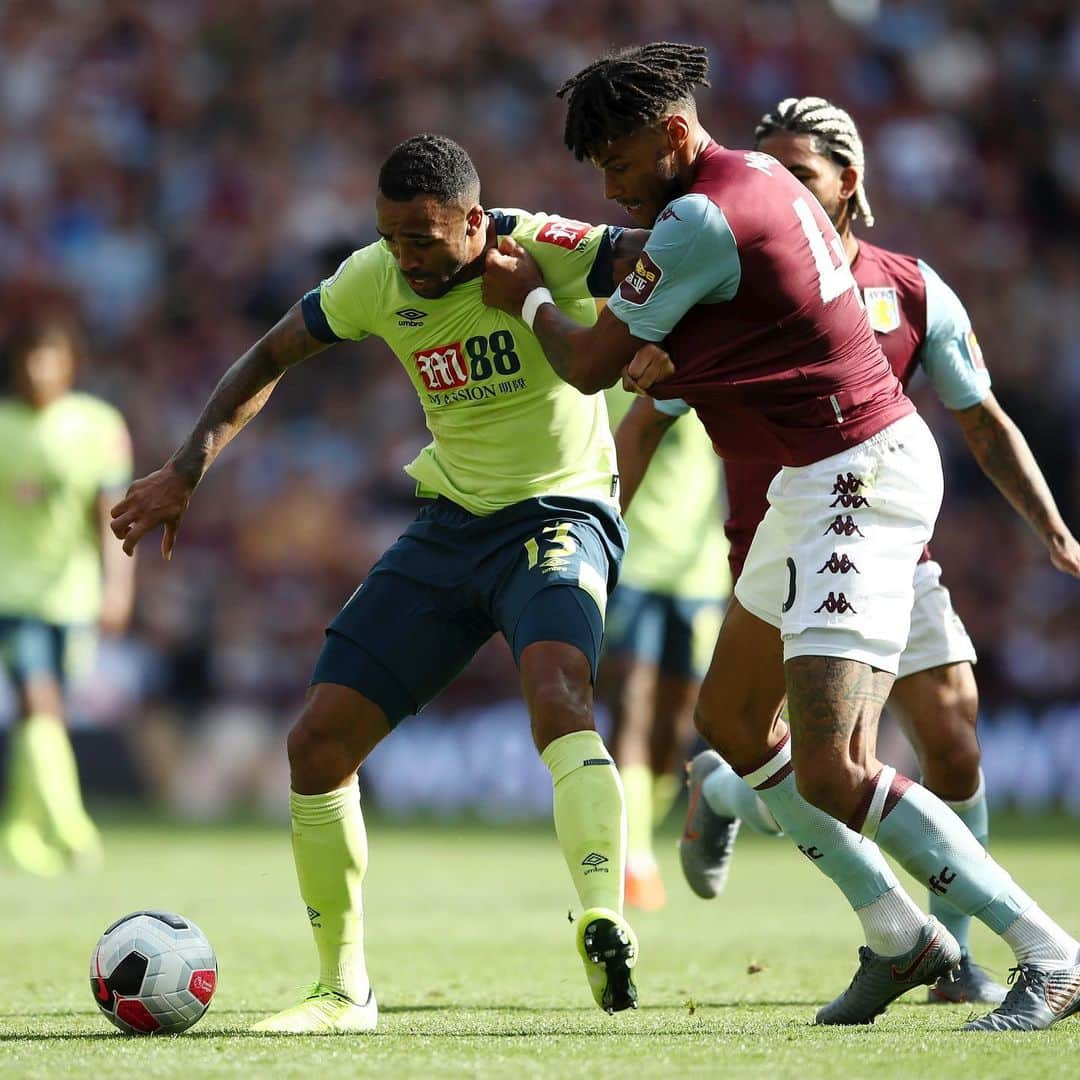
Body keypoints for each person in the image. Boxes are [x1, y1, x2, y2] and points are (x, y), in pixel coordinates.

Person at [481, 42, 1080, 1031]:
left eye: (618, 162)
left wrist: (528, 296)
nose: (612, 185)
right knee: (729, 723)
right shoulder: (741, 182)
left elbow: (590, 365)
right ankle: (902, 938)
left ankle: (1051, 954)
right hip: (814, 480)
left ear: (673, 133)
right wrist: (529, 231)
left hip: (856, 475)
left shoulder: (706, 215)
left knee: (835, 767)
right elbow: (633, 258)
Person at [110, 134, 648, 1033]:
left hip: (560, 516)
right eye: (391, 237)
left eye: (425, 240)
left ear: (476, 223)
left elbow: (659, 256)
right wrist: (184, 469)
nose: (407, 259)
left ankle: (603, 914)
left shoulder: (548, 248)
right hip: (449, 523)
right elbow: (268, 357)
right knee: (317, 746)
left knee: (559, 691)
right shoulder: (374, 279)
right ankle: (342, 990)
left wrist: (651, 338)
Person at [674, 95, 1080, 1006]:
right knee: (806, 750)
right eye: (771, 174)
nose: (787, 193)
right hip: (781, 532)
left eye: (805, 176)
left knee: (949, 736)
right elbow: (648, 407)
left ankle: (957, 958)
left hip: (882, 529)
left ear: (848, 182)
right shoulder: (731, 274)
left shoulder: (911, 286)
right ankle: (940, 935)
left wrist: (1053, 528)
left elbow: (981, 418)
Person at [0, 317, 134, 875]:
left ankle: (20, 831)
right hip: (12, 592)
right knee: (38, 700)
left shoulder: (98, 426)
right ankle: (71, 826)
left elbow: (109, 517)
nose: (39, 370)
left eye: (49, 357)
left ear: (70, 363)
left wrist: (119, 585)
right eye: (30, 358)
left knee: (49, 713)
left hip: (73, 594)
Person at [599, 382, 727, 910]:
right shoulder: (607, 372)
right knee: (630, 703)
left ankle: (637, 833)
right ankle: (634, 860)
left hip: (698, 575)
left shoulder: (707, 367)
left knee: (677, 728)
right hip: (630, 561)